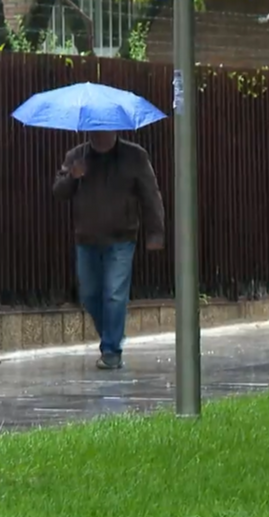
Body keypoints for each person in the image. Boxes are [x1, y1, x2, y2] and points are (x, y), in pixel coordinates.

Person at [52, 131, 166, 370]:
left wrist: (155, 232)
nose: (100, 134)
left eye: (105, 129)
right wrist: (73, 176)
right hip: (87, 238)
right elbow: (59, 191)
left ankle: (111, 350)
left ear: (114, 129)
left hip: (121, 238)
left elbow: (150, 194)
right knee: (90, 295)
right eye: (95, 130)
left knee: (114, 293)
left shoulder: (134, 156)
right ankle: (111, 335)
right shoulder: (76, 155)